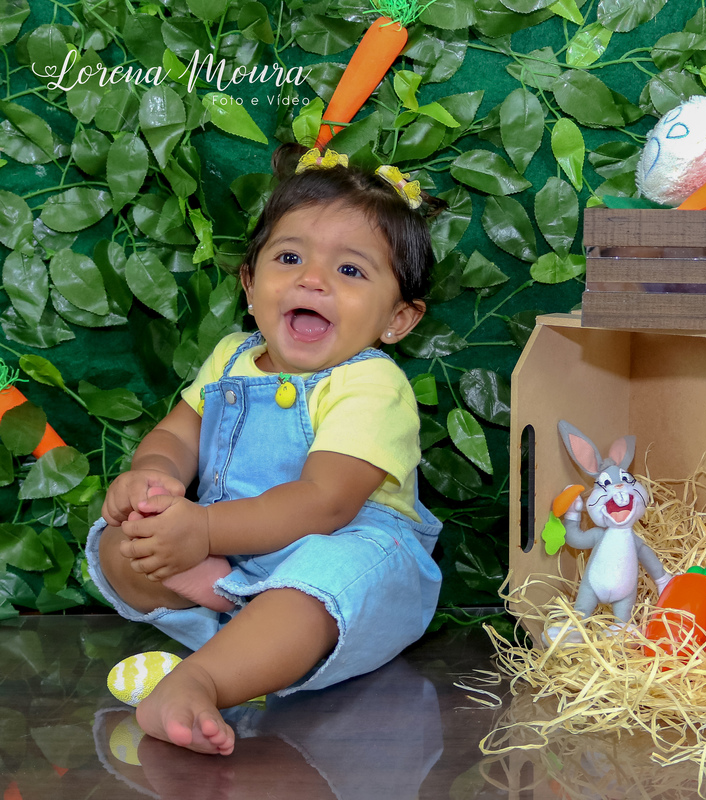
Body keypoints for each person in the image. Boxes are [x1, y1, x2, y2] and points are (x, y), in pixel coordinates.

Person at [84, 144, 443, 756]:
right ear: (250, 283)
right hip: (235, 558)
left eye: (350, 271)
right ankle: (242, 637)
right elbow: (177, 433)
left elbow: (325, 502)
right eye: (289, 257)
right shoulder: (231, 357)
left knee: (321, 584)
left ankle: (201, 680)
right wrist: (154, 477)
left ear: (398, 319)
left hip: (342, 553)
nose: (312, 279)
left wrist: (203, 530)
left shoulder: (371, 383)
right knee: (122, 544)